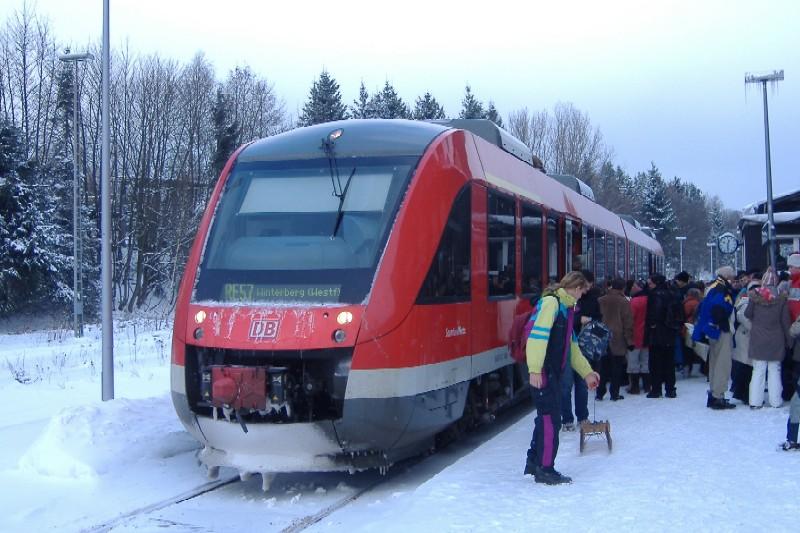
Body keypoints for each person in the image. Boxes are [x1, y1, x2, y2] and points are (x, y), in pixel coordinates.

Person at [523, 271, 600, 485]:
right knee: (550, 419)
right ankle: (545, 468)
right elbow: (537, 338)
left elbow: (572, 348)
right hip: (545, 371)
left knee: (545, 416)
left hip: (551, 371)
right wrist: (535, 369)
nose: (582, 296)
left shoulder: (566, 309)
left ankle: (534, 460)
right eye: (582, 292)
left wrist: (587, 373)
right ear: (575, 288)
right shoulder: (552, 305)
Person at [560, 270, 601, 430]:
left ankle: (582, 416)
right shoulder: (561, 302)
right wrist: (579, 319)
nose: (585, 291)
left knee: (582, 383)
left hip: (584, 344)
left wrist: (590, 320)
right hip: (567, 345)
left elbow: (599, 318)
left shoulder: (592, 299)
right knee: (566, 384)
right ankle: (567, 419)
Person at [693, 265, 737, 409]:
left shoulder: (712, 286)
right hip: (720, 329)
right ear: (727, 276)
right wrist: (722, 323)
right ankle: (719, 396)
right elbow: (719, 308)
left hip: (711, 330)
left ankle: (713, 393)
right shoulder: (722, 289)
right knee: (723, 364)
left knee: (714, 361)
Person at [746, 274, 791, 409]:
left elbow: (748, 314)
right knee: (774, 370)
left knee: (758, 370)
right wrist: (789, 340)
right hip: (775, 339)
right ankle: (775, 401)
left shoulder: (755, 296)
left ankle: (755, 402)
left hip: (758, 338)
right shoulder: (781, 298)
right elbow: (785, 321)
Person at [645, 274, 683, 398]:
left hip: (657, 334)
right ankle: (670, 388)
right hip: (670, 332)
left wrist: (651, 325)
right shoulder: (673, 293)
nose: (648, 286)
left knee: (655, 363)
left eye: (650, 283)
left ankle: (656, 389)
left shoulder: (655, 295)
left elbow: (654, 314)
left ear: (656, 283)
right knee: (669, 363)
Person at [598, 278, 633, 400]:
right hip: (618, 337)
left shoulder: (601, 300)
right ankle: (614, 393)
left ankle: (599, 392)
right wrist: (629, 340)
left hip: (602, 336)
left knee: (603, 366)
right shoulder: (624, 302)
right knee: (617, 367)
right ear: (623, 288)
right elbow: (628, 322)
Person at [730, 281, 757, 403]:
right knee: (745, 368)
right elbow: (746, 321)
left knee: (745, 368)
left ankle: (741, 392)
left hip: (746, 338)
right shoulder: (745, 303)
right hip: (745, 338)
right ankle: (743, 393)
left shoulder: (747, 302)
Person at [627, 280, 649, 394]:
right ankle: (646, 385)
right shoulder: (649, 300)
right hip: (647, 336)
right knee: (645, 362)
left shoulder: (634, 302)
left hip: (635, 336)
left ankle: (634, 387)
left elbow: (630, 320)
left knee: (633, 362)